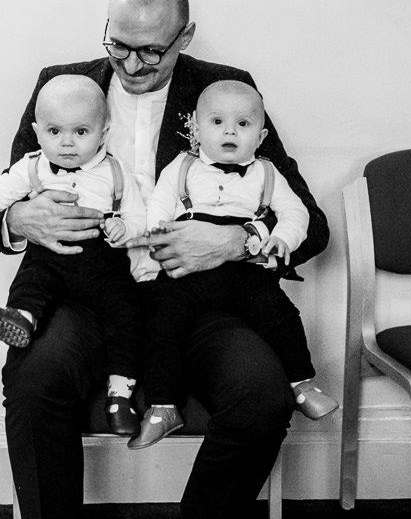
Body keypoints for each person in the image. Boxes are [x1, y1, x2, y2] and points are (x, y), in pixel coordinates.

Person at [0, 0, 328, 519]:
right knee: (34, 377)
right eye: (120, 45)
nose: (134, 65)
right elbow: (9, 190)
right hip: (87, 292)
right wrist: (18, 221)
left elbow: (308, 222)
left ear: (186, 37)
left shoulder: (227, 87)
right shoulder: (64, 84)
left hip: (197, 296)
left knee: (262, 393)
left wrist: (235, 241)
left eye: (153, 50)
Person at [128, 79, 336, 452]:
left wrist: (281, 239)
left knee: (280, 315)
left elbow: (297, 215)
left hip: (244, 272)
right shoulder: (182, 166)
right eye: (217, 122)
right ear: (195, 127)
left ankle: (303, 384)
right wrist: (159, 231)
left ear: (261, 136)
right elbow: (159, 202)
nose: (229, 131)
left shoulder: (268, 173)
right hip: (186, 273)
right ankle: (162, 407)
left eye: (243, 124)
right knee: (161, 323)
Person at [0, 75, 148, 434]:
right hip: (51, 261)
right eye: (54, 132)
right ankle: (21, 318)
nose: (66, 143)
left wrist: (124, 229)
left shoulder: (116, 173)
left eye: (81, 132)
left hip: (102, 266)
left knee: (124, 316)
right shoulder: (31, 167)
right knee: (32, 280)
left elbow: (138, 216)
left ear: (104, 131)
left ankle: (120, 396)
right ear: (38, 132)